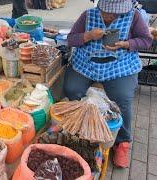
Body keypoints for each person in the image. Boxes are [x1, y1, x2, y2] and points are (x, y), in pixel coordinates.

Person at [65, 0, 152, 168]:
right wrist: (88, 36)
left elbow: (146, 40)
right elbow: (70, 40)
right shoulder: (88, 15)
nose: (112, 16)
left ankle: (122, 142)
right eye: (108, 12)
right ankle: (80, 131)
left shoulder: (133, 16)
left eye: (116, 13)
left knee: (123, 97)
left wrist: (127, 44)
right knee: (72, 89)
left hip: (119, 64)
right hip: (87, 62)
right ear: (100, 6)